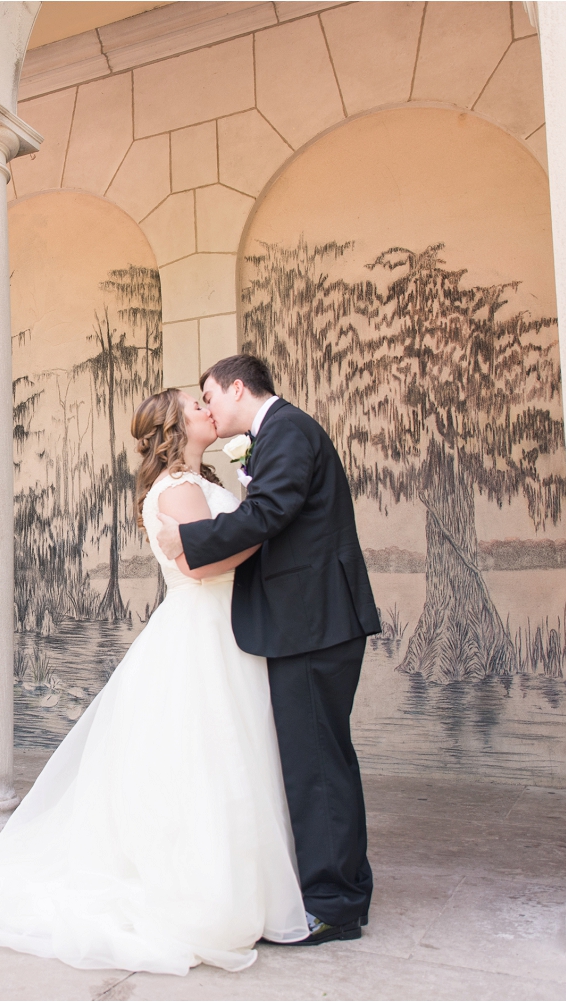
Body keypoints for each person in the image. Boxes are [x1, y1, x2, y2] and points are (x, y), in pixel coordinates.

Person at [0, 387, 310, 975]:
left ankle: (246, 886)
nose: (208, 408)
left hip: (228, 629)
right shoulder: (178, 489)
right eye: (195, 404)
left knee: (233, 759)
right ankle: (203, 892)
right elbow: (201, 564)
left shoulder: (202, 480)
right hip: (201, 629)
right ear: (176, 425)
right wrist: (268, 528)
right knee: (206, 761)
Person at [153, 353, 379, 944]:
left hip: (313, 623)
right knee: (318, 762)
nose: (208, 408)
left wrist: (189, 538)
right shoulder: (279, 433)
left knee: (317, 768)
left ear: (236, 389)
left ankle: (333, 904)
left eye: (211, 396)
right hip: (307, 621)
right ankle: (344, 888)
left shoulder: (285, 431)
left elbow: (271, 512)